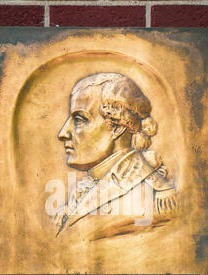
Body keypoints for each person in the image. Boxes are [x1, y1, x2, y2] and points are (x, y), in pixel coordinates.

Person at [54, 72, 178, 240]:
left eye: (79, 120)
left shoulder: (150, 193)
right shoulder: (86, 185)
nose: (63, 133)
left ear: (117, 128)